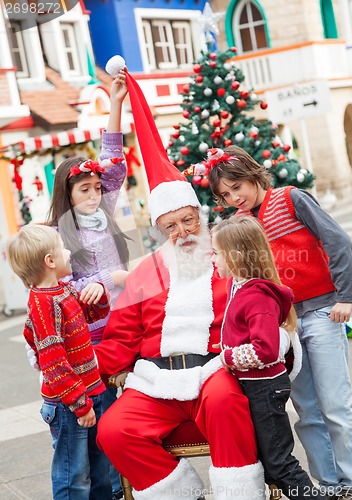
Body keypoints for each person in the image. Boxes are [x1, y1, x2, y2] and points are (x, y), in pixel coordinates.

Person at [93, 58, 265, 500]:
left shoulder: (225, 257)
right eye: (171, 227)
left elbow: (257, 311)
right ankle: (182, 494)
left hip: (213, 372)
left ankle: (239, 493)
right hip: (155, 381)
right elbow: (120, 336)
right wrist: (87, 372)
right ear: (161, 230)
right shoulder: (147, 272)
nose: (182, 233)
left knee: (227, 402)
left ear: (201, 216)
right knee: (112, 430)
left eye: (188, 221)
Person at [207, 145, 352, 499]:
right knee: (306, 409)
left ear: (252, 175)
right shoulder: (241, 225)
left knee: (334, 406)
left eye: (237, 188)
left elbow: (336, 240)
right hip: (284, 325)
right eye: (225, 195)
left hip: (322, 311)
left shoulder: (290, 198)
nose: (234, 198)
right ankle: (328, 484)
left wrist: (346, 296)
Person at [46, 71, 130, 500]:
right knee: (95, 429)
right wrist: (101, 280)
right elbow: (54, 287)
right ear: (68, 192)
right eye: (85, 189)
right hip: (87, 344)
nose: (96, 194)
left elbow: (113, 163)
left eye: (97, 188)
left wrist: (115, 102)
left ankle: (120, 491)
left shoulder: (106, 212)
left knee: (119, 428)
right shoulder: (56, 236)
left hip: (124, 331)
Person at [211, 216, 322, 500]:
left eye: (216, 252)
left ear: (235, 256)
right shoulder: (239, 286)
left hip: (264, 388)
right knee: (271, 464)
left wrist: (228, 356)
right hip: (257, 386)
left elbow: (266, 349)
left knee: (280, 463)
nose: (212, 258)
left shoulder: (257, 296)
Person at [6, 224, 112, 500]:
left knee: (99, 469)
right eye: (62, 248)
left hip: (91, 394)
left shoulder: (62, 291)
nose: (68, 251)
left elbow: (87, 317)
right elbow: (54, 362)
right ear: (50, 262)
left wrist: (97, 296)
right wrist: (79, 404)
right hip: (70, 406)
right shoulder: (43, 304)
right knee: (73, 475)